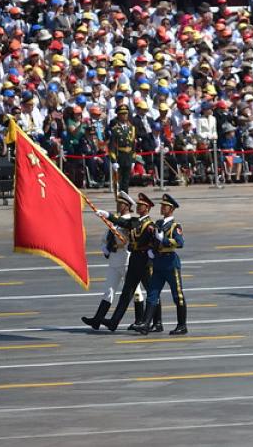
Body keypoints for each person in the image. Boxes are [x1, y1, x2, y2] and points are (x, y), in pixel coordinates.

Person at [83, 192, 136, 330]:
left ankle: (140, 320)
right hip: (114, 260)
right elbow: (105, 238)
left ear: (127, 206)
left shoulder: (129, 221)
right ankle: (97, 319)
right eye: (118, 202)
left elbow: (130, 239)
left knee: (135, 292)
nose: (118, 205)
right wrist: (105, 248)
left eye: (121, 203)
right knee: (108, 291)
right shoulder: (115, 221)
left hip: (126, 260)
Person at [135, 194, 187, 336]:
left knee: (177, 295)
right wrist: (151, 249)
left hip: (170, 263)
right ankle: (146, 324)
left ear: (171, 209)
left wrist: (164, 240)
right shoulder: (157, 224)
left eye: (165, 206)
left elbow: (179, 243)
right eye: (162, 205)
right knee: (152, 294)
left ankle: (182, 325)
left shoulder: (176, 226)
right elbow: (152, 240)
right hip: (157, 263)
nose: (162, 208)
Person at [108, 105, 135, 194]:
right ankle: (120, 200)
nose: (124, 116)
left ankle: (125, 200)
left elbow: (133, 145)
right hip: (120, 157)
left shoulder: (132, 128)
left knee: (126, 181)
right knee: (119, 181)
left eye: (125, 114)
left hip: (128, 157)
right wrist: (114, 161)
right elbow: (111, 147)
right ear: (118, 116)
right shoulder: (115, 129)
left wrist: (133, 160)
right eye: (122, 114)